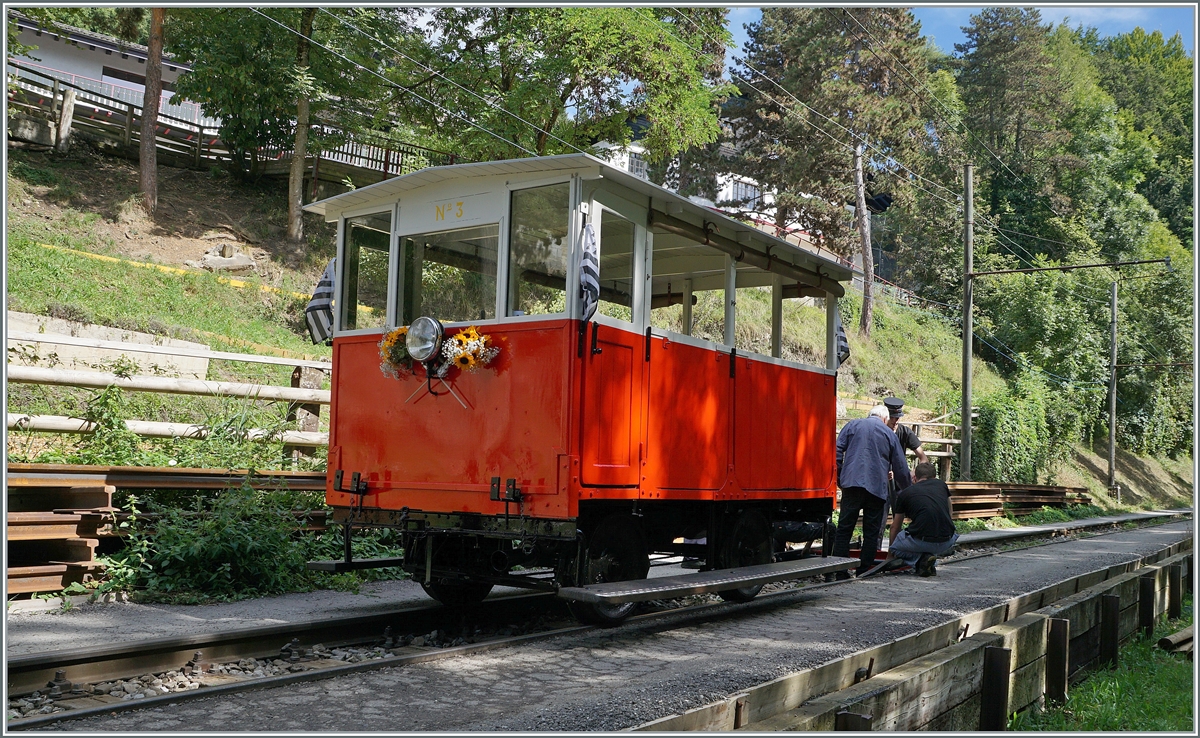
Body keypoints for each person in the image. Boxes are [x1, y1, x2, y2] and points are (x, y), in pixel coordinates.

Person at [833, 405, 913, 578]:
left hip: (852, 484)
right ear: (884, 419)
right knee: (871, 532)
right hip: (876, 489)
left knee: (844, 528)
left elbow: (836, 451)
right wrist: (909, 491)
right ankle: (864, 570)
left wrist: (840, 477)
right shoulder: (889, 434)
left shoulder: (852, 426)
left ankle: (838, 570)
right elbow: (900, 466)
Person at [885, 461, 958, 577]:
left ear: (914, 478)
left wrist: (890, 557)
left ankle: (920, 560)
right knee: (928, 540)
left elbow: (895, 526)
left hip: (922, 541)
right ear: (934, 477)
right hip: (948, 540)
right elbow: (950, 511)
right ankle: (929, 561)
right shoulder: (942, 485)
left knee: (896, 546)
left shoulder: (905, 493)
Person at [879, 397, 927, 540]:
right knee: (879, 523)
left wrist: (913, 473)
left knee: (899, 521)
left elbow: (923, 458)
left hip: (900, 485)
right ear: (886, 417)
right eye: (892, 418)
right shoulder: (878, 432)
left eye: (898, 418)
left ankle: (899, 550)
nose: (895, 422)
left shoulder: (905, 432)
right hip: (881, 484)